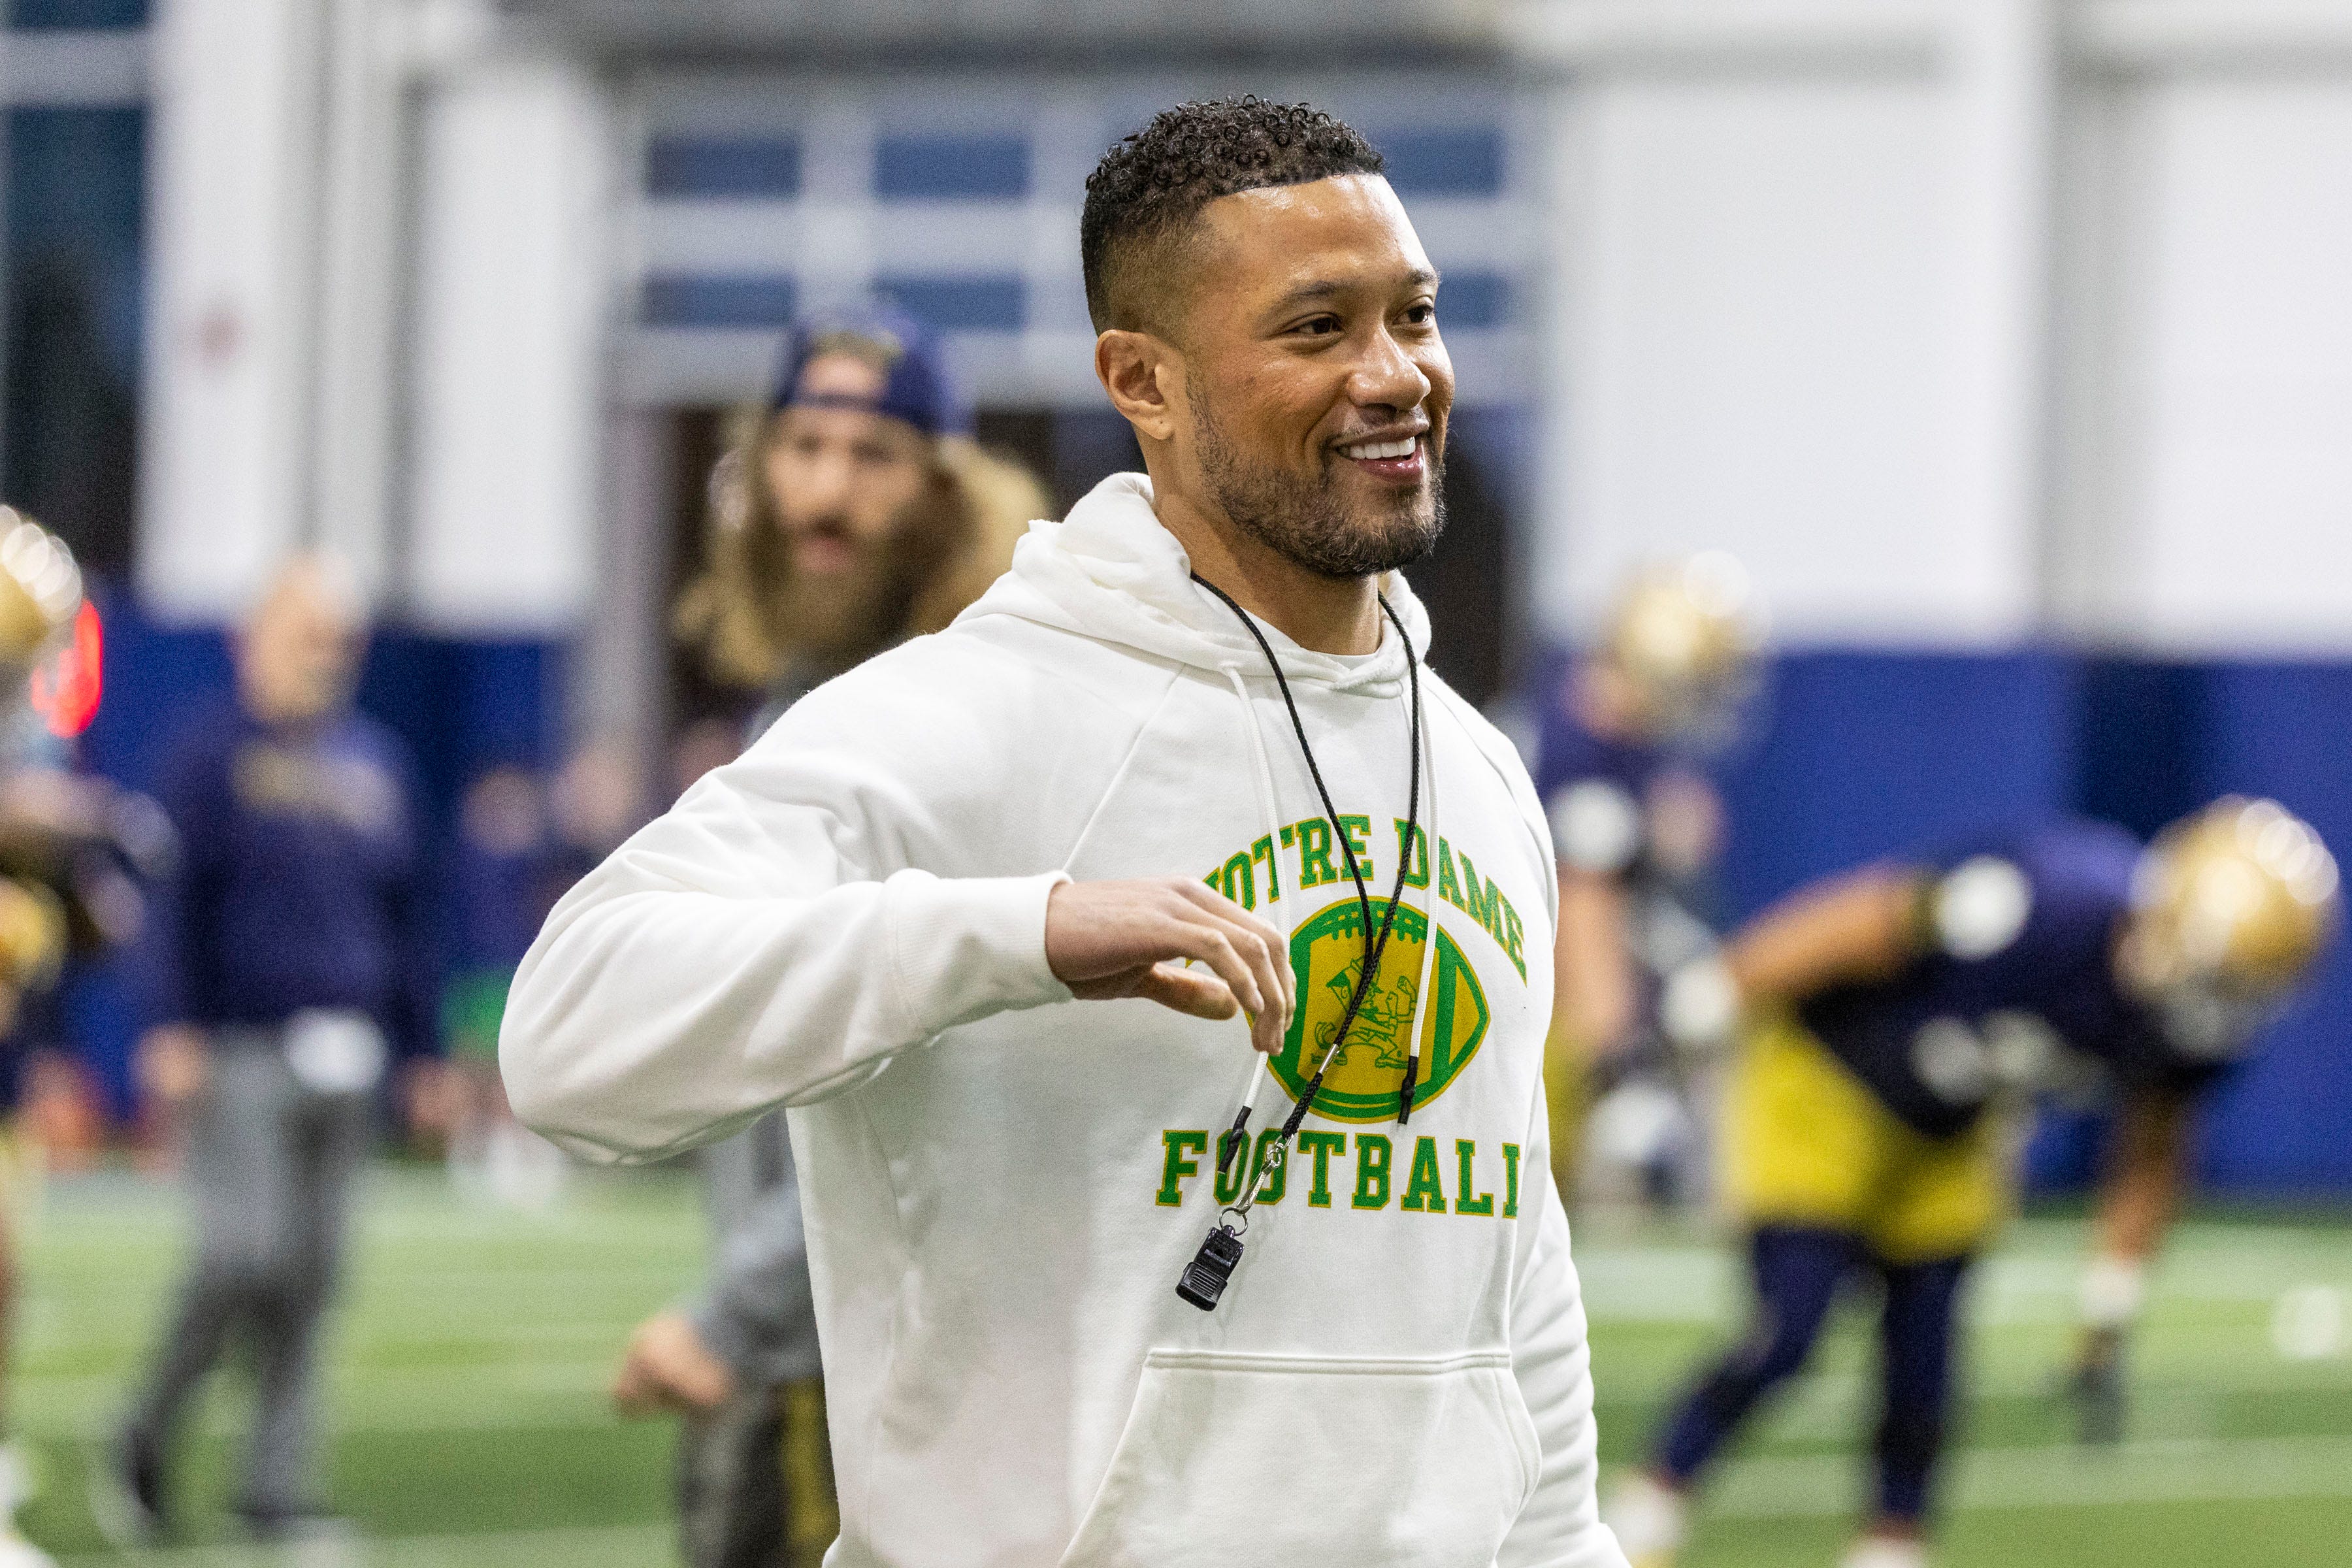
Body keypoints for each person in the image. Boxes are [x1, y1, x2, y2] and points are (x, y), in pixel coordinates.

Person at [504, 96, 1629, 1566]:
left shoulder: (1475, 770)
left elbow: (1510, 1281)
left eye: (1412, 314)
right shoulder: (975, 716)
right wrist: (1015, 933)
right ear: (1142, 381)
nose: (1394, 374)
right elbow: (568, 1035)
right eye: (1317, 328)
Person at [1603, 799, 2339, 1568]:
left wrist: (2110, 1302)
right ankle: (1654, 1500)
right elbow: (1861, 922)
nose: (2222, 1007)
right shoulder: (2046, 901)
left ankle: (1891, 1546)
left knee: (1927, 1356)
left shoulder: (2193, 1031)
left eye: (2245, 988)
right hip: (1828, 1084)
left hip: (1953, 1130)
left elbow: (2152, 1147)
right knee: (1790, 1326)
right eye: (2220, 979)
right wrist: (1708, 1000)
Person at [612, 304, 1045, 1568]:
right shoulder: (799, 704)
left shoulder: (963, 719)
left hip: (904, 1366)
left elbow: (935, 1090)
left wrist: (737, 1315)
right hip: (807, 1338)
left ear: (947, 492)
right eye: (803, 448)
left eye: (872, 456)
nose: (828, 493)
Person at [105, 557, 434, 1542]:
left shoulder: (377, 761)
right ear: (254, 638)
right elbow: (173, 904)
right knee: (239, 1256)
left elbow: (408, 915)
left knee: (313, 1279)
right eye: (305, 633)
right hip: (242, 1045)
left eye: (337, 638)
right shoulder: (208, 755)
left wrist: (422, 1048)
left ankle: (274, 1487)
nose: (322, 655)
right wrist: (168, 1024)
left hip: (352, 1048)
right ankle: (145, 1430)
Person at [1535, 557, 1761, 1207]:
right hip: (1549, 1015)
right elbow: (1583, 909)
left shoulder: (1605, 739)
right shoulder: (1586, 754)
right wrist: (1619, 1069)